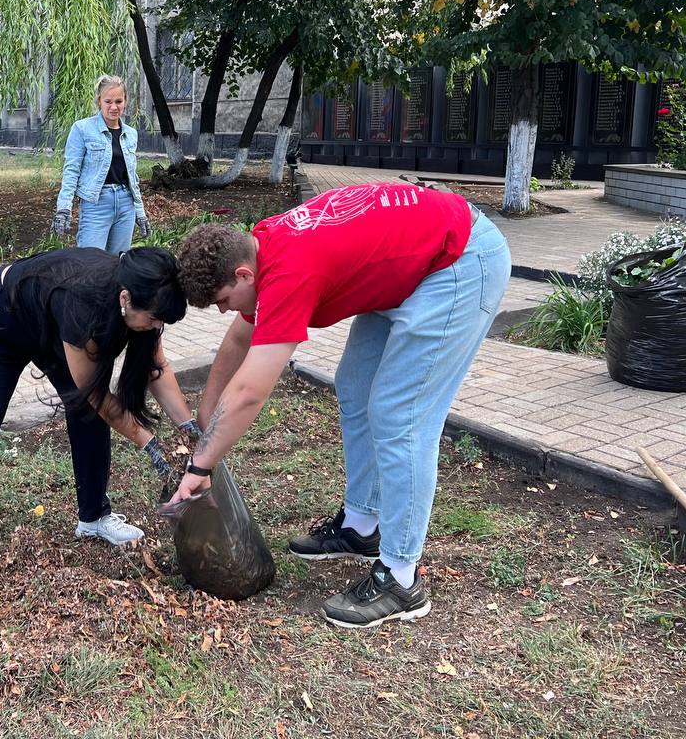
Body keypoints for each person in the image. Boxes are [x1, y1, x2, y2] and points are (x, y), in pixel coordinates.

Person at [172, 183, 510, 629]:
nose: (223, 312)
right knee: (354, 384)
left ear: (243, 276)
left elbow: (252, 391)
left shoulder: (289, 271)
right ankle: (361, 527)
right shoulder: (263, 246)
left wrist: (200, 467)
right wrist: (205, 413)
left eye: (222, 301)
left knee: (400, 415)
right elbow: (240, 336)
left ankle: (402, 579)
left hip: (458, 261)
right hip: (412, 262)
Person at [0, 246, 197, 607]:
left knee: (87, 419)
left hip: (52, 327)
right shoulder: (82, 299)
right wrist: (151, 444)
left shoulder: (143, 297)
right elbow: (96, 396)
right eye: (154, 320)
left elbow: (158, 369)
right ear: (126, 299)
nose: (157, 328)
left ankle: (93, 517)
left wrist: (189, 428)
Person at [52, 75, 151, 253]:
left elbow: (132, 177)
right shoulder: (82, 129)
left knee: (118, 263)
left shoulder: (131, 134)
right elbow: (71, 170)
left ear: (125, 101)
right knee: (90, 264)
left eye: (119, 101)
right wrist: (64, 208)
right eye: (108, 101)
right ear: (99, 101)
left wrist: (140, 212)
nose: (114, 107)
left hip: (125, 204)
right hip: (96, 204)